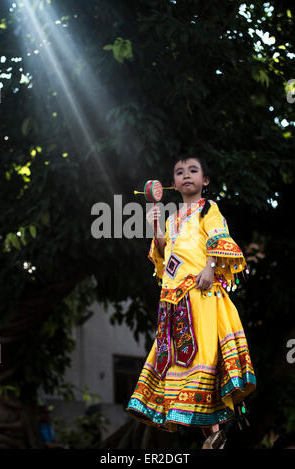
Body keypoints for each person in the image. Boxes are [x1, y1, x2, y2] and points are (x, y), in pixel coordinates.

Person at [126, 155, 257, 449]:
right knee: (180, 364)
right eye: (180, 172)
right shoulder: (173, 218)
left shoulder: (208, 209)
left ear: (205, 181)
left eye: (193, 171)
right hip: (173, 301)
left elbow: (217, 236)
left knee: (203, 358)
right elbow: (164, 256)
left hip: (201, 295)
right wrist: (157, 226)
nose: (186, 175)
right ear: (173, 183)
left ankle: (217, 429)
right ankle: (212, 434)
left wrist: (210, 266)